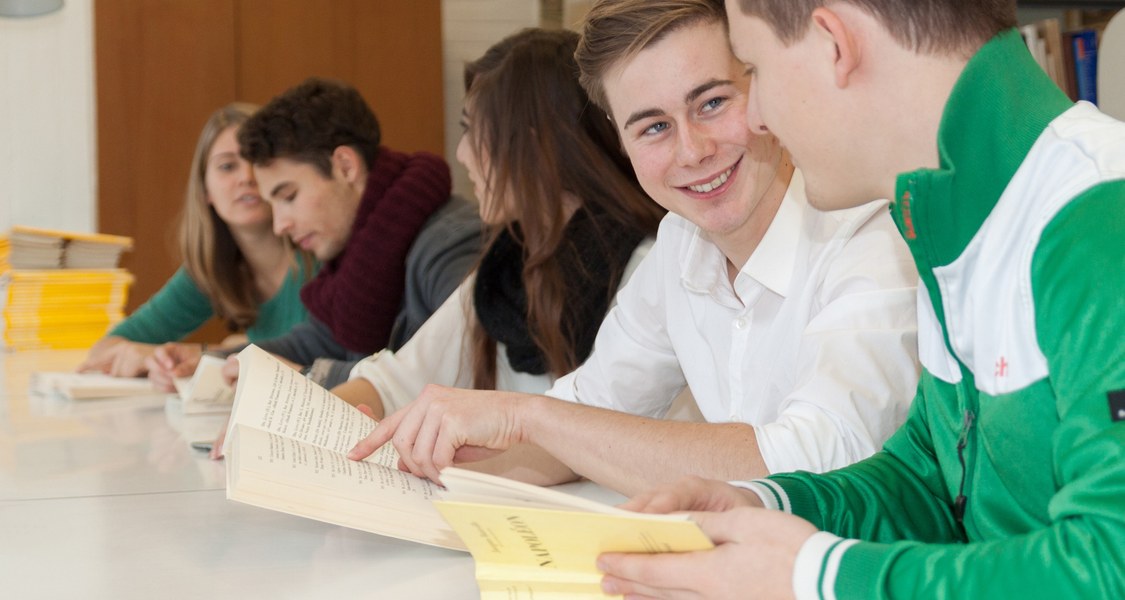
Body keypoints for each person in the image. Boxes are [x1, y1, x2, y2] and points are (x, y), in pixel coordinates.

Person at [595, 0, 1125, 598]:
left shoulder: (1102, 217)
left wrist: (815, 576)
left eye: (755, 69)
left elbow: (1113, 565)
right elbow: (926, 480)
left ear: (834, 43)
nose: (761, 117)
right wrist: (763, 503)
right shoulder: (954, 213)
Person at [348, 0, 920, 496]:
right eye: (652, 128)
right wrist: (418, 470)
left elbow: (816, 462)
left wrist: (526, 415)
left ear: (764, 91)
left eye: (713, 103)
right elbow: (589, 419)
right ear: (621, 144)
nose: (692, 150)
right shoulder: (681, 244)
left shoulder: (869, 232)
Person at [331, 28, 665, 457]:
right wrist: (285, 421)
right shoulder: (505, 266)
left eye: (473, 131)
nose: (462, 154)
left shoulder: (645, 266)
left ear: (533, 143)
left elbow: (609, 441)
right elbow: (393, 383)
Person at [146, 78, 483, 391]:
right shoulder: (364, 247)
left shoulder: (450, 247)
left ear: (345, 167)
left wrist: (306, 379)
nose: (280, 225)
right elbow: (316, 342)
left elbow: (461, 380)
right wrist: (212, 361)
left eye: (289, 196)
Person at [78, 102, 314, 378]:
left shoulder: (320, 251)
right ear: (205, 191)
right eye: (227, 166)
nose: (246, 177)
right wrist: (158, 359)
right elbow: (105, 349)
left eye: (256, 160)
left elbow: (328, 360)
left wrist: (217, 352)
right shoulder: (212, 268)